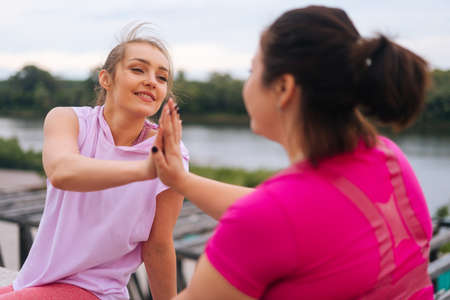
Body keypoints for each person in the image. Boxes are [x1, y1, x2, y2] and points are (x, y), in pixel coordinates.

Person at [152, 5, 433, 300]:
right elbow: (293, 216)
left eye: (252, 70)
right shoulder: (388, 159)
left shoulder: (271, 217)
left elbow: (272, 217)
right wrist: (180, 180)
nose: (247, 84)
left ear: (284, 87)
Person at [0, 24, 188, 300]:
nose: (152, 81)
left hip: (97, 291)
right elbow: (63, 171)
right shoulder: (68, 120)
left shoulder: (170, 152)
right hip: (36, 281)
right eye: (138, 69)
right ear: (106, 79)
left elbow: (158, 245)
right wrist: (145, 170)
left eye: (162, 78)